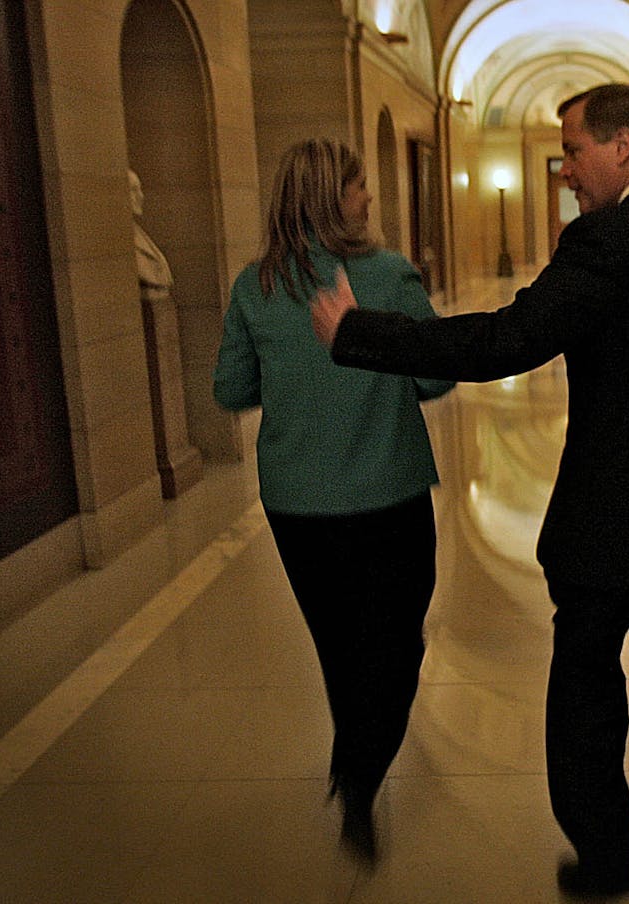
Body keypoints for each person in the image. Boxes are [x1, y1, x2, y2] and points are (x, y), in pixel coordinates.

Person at [312, 84, 629, 904]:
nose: (567, 173)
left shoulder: (601, 245)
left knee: (587, 696)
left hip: (608, 520)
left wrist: (358, 332)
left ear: (623, 146)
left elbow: (503, 339)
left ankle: (609, 861)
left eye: (575, 151)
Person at [212, 138, 454, 865]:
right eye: (357, 188)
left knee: (339, 643)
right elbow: (436, 377)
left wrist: (290, 379)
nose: (369, 199)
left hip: (295, 505)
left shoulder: (251, 286)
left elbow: (230, 390)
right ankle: (361, 771)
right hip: (389, 494)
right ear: (329, 198)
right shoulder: (387, 274)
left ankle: (353, 761)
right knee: (398, 640)